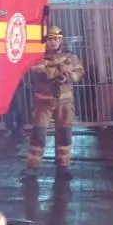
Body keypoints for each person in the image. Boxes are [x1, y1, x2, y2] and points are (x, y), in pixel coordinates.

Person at [25, 26, 84, 181]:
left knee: (64, 133)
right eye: (50, 39)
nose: (53, 42)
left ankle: (63, 167)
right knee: (38, 133)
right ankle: (32, 166)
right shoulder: (38, 56)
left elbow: (79, 72)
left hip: (64, 102)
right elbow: (34, 70)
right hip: (43, 101)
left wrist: (68, 76)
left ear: (61, 40)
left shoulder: (70, 56)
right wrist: (55, 70)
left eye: (56, 39)